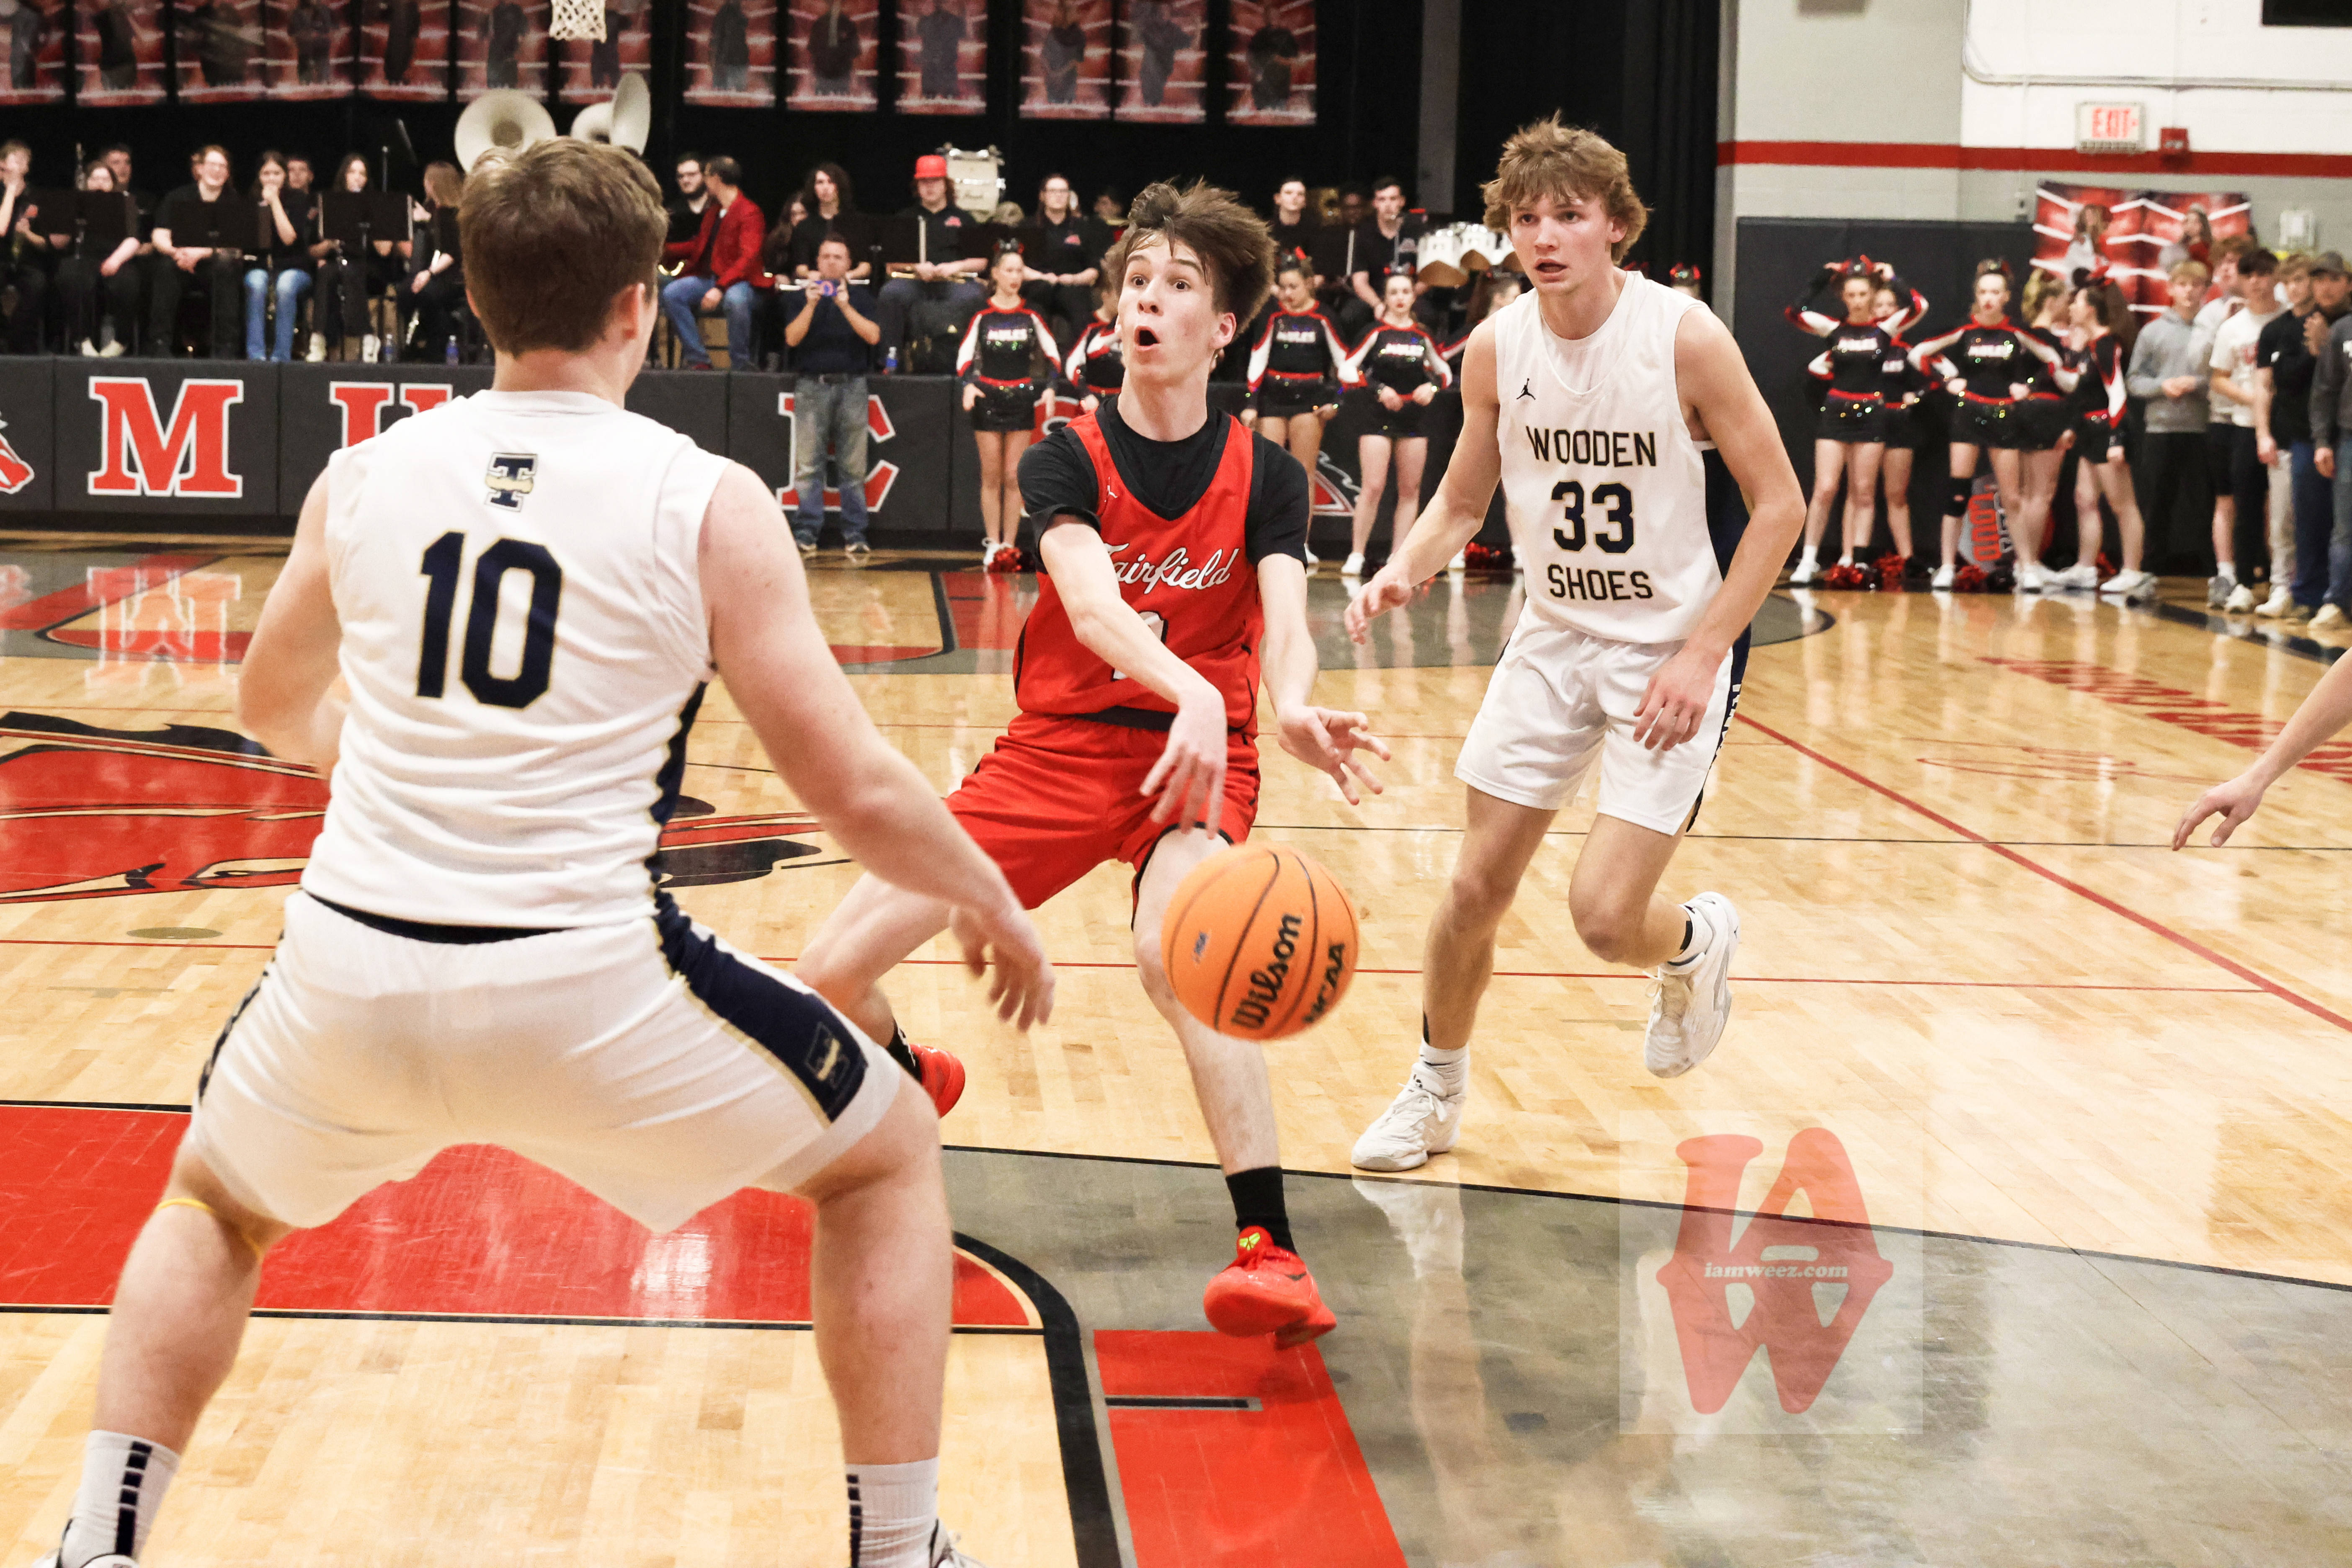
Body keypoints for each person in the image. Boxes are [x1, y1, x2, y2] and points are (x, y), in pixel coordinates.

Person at [29, 136, 1028, 1568]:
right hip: (589, 988)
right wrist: (988, 894)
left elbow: (266, 704)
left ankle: (96, 1544)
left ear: (479, 297)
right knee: (884, 1157)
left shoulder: (362, 474)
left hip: (352, 973)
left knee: (215, 1202)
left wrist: (381, 758)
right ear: (640, 304)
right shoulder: (702, 496)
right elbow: (853, 788)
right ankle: (899, 1547)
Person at [796, 179, 1388, 1351]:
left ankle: (1271, 1249)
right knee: (824, 973)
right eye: (1136, 282)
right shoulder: (1064, 457)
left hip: (1191, 765)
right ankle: (914, 1073)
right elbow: (1093, 605)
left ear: (1224, 328)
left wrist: (1292, 706)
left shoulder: (1267, 476)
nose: (1147, 300)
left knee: (1184, 951)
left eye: (1179, 285)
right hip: (1059, 750)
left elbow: (1288, 619)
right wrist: (1192, 689)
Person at [1347, 115, 1805, 1174]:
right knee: (1474, 889)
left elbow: (1779, 503)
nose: (1544, 236)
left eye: (1567, 216)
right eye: (1525, 219)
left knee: (1603, 920)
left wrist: (1705, 653)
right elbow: (1461, 499)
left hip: (1669, 648)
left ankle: (1693, 941)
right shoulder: (1497, 346)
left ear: (1615, 227)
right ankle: (1435, 1090)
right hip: (1553, 636)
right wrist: (1405, 566)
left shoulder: (1683, 337)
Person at [1909, 260, 2058, 589]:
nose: (1989, 298)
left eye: (1995, 292)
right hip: (1968, 413)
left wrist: (2029, 386)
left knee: (2012, 497)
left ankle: (2027, 567)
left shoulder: (2016, 332)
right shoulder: (1964, 330)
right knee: (1957, 493)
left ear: (2006, 297)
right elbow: (1918, 354)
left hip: (2004, 416)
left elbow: (2054, 360)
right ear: (1977, 295)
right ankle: (1947, 566)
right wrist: (1947, 380)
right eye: (1983, 292)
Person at [1783, 258, 1922, 584]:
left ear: (1872, 295)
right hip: (1836, 412)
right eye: (1851, 295)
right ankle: (1809, 558)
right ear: (1843, 297)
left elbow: (1919, 307)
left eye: (1863, 295)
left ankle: (1858, 561)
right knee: (1825, 488)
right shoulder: (1834, 328)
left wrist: (1894, 279)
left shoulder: (1884, 330)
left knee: (1863, 491)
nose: (1858, 301)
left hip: (1872, 414)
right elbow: (1794, 312)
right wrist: (1822, 277)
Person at [1339, 269, 1450, 577]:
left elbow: (1444, 372)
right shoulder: (1374, 332)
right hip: (1377, 416)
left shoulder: (1423, 335)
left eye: (1405, 292)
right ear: (1385, 298)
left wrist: (1432, 387)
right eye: (1394, 293)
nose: (1400, 298)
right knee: (1373, 487)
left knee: (1410, 490)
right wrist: (1378, 389)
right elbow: (1347, 368)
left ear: (1413, 297)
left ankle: (1398, 557)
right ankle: (1357, 554)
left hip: (1413, 418)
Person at [956, 247, 1059, 568]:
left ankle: (1009, 546)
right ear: (996, 274)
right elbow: (963, 357)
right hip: (988, 398)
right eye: (1009, 270)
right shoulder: (982, 316)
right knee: (991, 475)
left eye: (1019, 271)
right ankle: (992, 543)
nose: (1015, 277)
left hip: (1021, 397)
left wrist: (1052, 388)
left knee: (1014, 476)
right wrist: (968, 384)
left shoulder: (1031, 315)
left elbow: (1055, 356)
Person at [2258, 252, 2346, 624]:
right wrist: (2314, 354)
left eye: (2333, 280)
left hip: (2344, 434)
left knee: (2343, 523)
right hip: (2306, 435)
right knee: (2307, 521)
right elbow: (2283, 381)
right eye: (2319, 279)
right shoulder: (2288, 328)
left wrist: (2327, 349)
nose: (2324, 287)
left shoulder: (2346, 324)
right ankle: (2308, 595)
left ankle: (2338, 597)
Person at [785, 232, 881, 557]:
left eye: (838, 257)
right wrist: (811, 304)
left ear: (849, 264)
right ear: (817, 262)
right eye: (825, 256)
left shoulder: (861, 297)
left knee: (853, 468)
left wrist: (845, 305)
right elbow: (792, 338)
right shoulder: (802, 296)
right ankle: (806, 532)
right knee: (808, 466)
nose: (831, 262)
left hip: (852, 385)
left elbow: (873, 336)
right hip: (812, 385)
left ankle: (855, 533)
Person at [2064, 269, 2153, 598]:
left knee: (2122, 504)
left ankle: (2133, 571)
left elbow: (2117, 392)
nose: (2071, 308)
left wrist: (2116, 439)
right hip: (2089, 431)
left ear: (2090, 308)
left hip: (2107, 430)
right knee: (2084, 499)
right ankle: (2086, 567)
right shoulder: (2089, 346)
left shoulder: (2106, 345)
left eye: (2076, 302)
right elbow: (2079, 391)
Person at [2128, 259, 2217, 578]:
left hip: (2203, 429)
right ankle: (2150, 571)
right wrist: (2162, 386)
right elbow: (2134, 380)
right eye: (2182, 285)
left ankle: (2215, 571)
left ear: (2206, 290)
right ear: (2170, 289)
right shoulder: (2153, 331)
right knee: (2156, 505)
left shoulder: (2214, 331)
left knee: (2206, 505)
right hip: (2161, 429)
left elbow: (2225, 377)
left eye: (2196, 285)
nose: (2189, 292)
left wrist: (2198, 384)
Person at [2207, 246, 2281, 612]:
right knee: (2245, 504)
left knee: (2282, 510)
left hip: (2285, 426)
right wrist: (2253, 398)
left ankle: (2281, 582)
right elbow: (2218, 378)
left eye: (2263, 274)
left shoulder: (2288, 320)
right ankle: (2244, 582)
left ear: (2275, 276)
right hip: (2243, 426)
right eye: (2249, 275)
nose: (2257, 282)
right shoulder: (2232, 328)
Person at [1245, 256, 1346, 509]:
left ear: (1309, 284)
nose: (1287, 294)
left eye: (1294, 287)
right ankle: (1266, 533)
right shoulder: (1272, 315)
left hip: (1310, 401)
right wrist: (1251, 404)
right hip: (1273, 397)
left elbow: (1346, 364)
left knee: (1303, 474)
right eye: (1283, 288)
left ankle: (1301, 535)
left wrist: (1337, 402)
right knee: (1268, 473)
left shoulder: (1324, 317)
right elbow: (1258, 360)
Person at [875, 154, 987, 369]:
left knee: (974, 296)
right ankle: (891, 361)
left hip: (954, 281)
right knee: (890, 294)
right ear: (917, 186)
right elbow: (891, 263)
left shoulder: (964, 219)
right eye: (924, 182)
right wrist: (915, 267)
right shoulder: (905, 218)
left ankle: (970, 363)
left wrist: (956, 267)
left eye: (935, 181)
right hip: (915, 281)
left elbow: (981, 262)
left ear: (946, 185)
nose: (930, 187)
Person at [2192, 237, 2254, 605]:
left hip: (2263, 420)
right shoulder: (2211, 313)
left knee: (2267, 502)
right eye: (2223, 263)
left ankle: (2270, 572)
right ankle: (2226, 571)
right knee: (2226, 498)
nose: (2229, 268)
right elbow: (2196, 361)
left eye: (2236, 261)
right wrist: (2223, 327)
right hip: (2224, 417)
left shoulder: (2273, 306)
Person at [660, 154, 763, 370]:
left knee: (735, 300)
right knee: (672, 293)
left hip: (739, 281)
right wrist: (663, 250)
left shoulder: (749, 212)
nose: (705, 182)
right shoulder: (715, 211)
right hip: (712, 278)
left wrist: (720, 288)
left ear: (716, 178)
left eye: (706, 176)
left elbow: (748, 258)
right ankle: (698, 359)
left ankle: (740, 364)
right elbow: (700, 245)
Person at [149, 145, 247, 360]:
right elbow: (159, 235)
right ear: (200, 169)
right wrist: (177, 253)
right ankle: (160, 344)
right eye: (212, 165)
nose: (217, 170)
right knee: (164, 269)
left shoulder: (234, 201)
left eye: (223, 166)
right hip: (181, 261)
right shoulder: (178, 197)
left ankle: (226, 347)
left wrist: (200, 253)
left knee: (227, 268)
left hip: (214, 264)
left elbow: (235, 244)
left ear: (228, 173)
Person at [2011, 269, 2076, 588]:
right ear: (2051, 303)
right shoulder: (2047, 339)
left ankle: (2024, 563)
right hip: (2047, 412)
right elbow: (2060, 381)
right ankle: (2029, 564)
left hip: (2024, 414)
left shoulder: (2022, 337)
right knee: (2041, 494)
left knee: (2026, 493)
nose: (2070, 306)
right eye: (2066, 301)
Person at [308, 152, 397, 363]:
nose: (357, 177)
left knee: (350, 272)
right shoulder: (330, 204)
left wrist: (371, 220)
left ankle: (366, 337)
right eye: (352, 172)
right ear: (344, 176)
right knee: (327, 273)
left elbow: (385, 250)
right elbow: (313, 251)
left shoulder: (375, 205)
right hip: (339, 263)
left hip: (370, 267)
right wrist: (330, 243)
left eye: (362, 174)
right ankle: (319, 338)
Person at [52, 159, 140, 357]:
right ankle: (81, 340)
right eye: (95, 179)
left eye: (105, 179)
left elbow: (133, 239)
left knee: (128, 283)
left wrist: (115, 260)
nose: (100, 183)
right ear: (87, 182)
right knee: (71, 278)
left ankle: (121, 340)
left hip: (116, 258)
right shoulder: (76, 202)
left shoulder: (125, 202)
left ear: (113, 184)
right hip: (83, 258)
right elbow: (59, 242)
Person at [1872, 279, 1931, 568]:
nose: (1884, 310)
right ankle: (1852, 558)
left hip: (1899, 424)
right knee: (1860, 494)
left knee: (1896, 494)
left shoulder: (1908, 350)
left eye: (1890, 305)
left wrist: (1915, 396)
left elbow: (1933, 380)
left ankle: (1907, 558)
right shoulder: (1862, 346)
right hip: (1866, 422)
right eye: (1878, 305)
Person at [241, 150, 313, 362]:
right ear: (259, 176)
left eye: (277, 173)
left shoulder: (299, 199)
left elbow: (289, 238)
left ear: (285, 176)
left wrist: (275, 203)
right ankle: (256, 355)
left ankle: (281, 357)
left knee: (285, 286)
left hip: (294, 267)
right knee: (256, 284)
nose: (271, 179)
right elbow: (254, 244)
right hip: (261, 266)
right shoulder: (251, 201)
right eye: (266, 174)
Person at [1022, 172, 1107, 348]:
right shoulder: (1027, 227)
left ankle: (1080, 360)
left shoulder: (1084, 228)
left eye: (1063, 191)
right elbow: (1017, 266)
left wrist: (1074, 279)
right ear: (1043, 196)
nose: (1058, 196)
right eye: (1053, 191)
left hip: (1073, 285)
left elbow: (1094, 270)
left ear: (1069, 196)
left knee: (1081, 311)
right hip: (1038, 284)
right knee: (1035, 304)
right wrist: (1042, 277)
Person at [404, 160, 466, 362]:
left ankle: (437, 345)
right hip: (430, 271)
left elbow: (453, 252)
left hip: (451, 275)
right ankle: (417, 343)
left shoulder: (453, 214)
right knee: (405, 292)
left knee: (429, 295)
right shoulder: (430, 208)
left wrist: (429, 274)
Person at [1342, 176, 1416, 341]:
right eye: (1382, 200)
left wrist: (1407, 298)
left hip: (1408, 294)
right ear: (1375, 203)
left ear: (1402, 202)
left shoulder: (1416, 229)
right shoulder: (1364, 233)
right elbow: (1359, 281)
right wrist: (1378, 304)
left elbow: (1427, 278)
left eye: (1393, 199)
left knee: (1428, 314)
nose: (1388, 205)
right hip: (1374, 294)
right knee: (1350, 315)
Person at [0, 139, 47, 354]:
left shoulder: (35, 196)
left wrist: (28, 234)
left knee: (37, 283)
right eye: (15, 159)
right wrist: (10, 190)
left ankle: (18, 341)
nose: (20, 164)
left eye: (24, 161)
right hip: (2, 258)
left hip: (26, 261)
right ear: (2, 164)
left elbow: (46, 242)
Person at [787, 163, 867, 281]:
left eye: (831, 182)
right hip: (816, 284)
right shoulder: (804, 227)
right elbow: (801, 267)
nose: (825, 187)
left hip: (850, 283)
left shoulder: (857, 223)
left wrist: (848, 276)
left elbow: (865, 266)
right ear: (814, 188)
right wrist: (813, 275)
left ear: (840, 186)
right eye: (820, 183)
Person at [1060, 276, 1122, 410]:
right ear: (1105, 296)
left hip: (1122, 398)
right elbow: (1072, 362)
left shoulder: (1129, 325)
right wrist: (1085, 394)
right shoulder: (1087, 324)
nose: (1121, 301)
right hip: (1094, 397)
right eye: (1118, 296)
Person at [1129, 0, 1186, 106]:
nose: (1163, 14)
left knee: (1153, 64)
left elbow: (1186, 42)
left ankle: (1153, 98)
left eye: (1165, 11)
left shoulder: (1173, 30)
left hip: (1162, 64)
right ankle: (1150, 97)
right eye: (1161, 11)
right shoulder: (1150, 27)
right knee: (1151, 62)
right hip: (1154, 64)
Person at [1246, 0, 1299, 111]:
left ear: (1279, 17)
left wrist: (1280, 60)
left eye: (1275, 15)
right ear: (1265, 18)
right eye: (1270, 15)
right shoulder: (1259, 36)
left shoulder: (1286, 35)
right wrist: (1256, 73)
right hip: (1262, 89)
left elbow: (1295, 59)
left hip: (1280, 90)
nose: (1272, 18)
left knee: (1279, 116)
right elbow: (1250, 57)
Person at [911, 0, 965, 103]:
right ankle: (943, 91)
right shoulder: (956, 21)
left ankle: (935, 92)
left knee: (935, 72)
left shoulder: (925, 21)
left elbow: (920, 32)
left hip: (937, 62)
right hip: (944, 61)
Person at [807, 0, 859, 95]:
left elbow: (855, 51)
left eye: (837, 3)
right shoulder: (819, 24)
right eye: (833, 2)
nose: (835, 5)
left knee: (841, 98)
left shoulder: (848, 24)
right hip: (823, 72)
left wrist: (854, 77)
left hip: (841, 73)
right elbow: (813, 49)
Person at [1040, 0, 1084, 104]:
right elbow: (1044, 55)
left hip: (1067, 86)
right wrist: (1051, 73)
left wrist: (1058, 74)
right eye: (1071, 10)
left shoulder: (1079, 35)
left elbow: (1078, 60)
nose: (1075, 13)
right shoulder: (1053, 33)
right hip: (1052, 84)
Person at [667, 153, 709, 250]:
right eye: (681, 176)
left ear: (705, 175)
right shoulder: (672, 213)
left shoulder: (719, 207)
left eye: (692, 175)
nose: (685, 180)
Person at [2157, 204, 2215, 276]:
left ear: (2203, 224)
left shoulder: (2207, 248)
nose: (2191, 225)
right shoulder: (2181, 246)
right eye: (2188, 222)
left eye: (2196, 222)